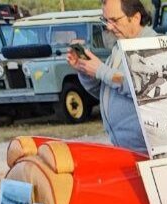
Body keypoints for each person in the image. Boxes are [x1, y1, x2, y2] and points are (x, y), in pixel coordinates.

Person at [66, 0, 156, 155]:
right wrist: (86, 69)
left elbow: (142, 86)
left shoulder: (154, 47)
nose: (108, 27)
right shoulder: (119, 48)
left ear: (135, 17)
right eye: (106, 20)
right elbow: (106, 92)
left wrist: (101, 70)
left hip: (148, 154)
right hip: (126, 151)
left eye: (114, 20)